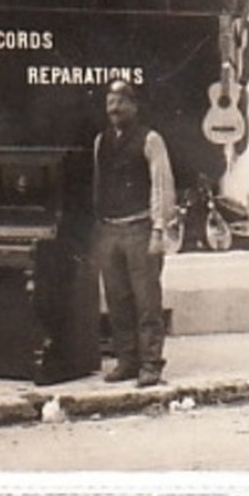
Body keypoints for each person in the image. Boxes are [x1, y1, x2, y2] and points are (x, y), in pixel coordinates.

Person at [89, 79, 176, 387]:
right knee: (117, 300)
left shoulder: (150, 140)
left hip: (141, 229)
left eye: (121, 101)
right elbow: (97, 186)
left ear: (134, 105)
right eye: (110, 102)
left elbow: (162, 186)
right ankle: (127, 360)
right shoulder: (101, 142)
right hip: (110, 230)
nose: (114, 108)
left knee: (147, 301)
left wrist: (158, 229)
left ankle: (151, 363)